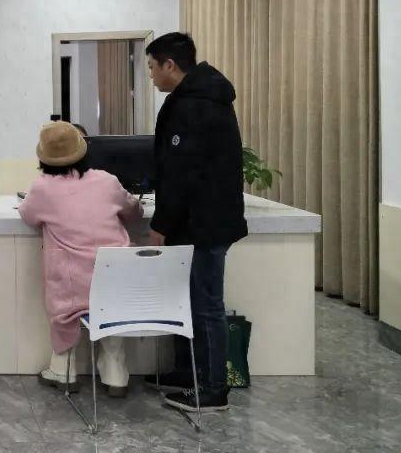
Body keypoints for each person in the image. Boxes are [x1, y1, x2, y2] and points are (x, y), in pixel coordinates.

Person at [143, 33, 247, 413]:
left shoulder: (194, 105)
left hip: (204, 223)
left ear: (170, 65)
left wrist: (161, 223)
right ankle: (189, 373)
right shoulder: (201, 97)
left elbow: (181, 173)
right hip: (202, 219)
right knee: (188, 300)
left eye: (152, 67)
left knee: (205, 305)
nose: (151, 75)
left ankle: (213, 388)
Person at [18, 121, 143, 397]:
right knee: (111, 309)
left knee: (63, 305)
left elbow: (28, 216)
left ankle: (63, 371)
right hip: (116, 279)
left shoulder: (42, 188)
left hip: (72, 286)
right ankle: (116, 376)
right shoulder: (107, 180)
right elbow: (134, 212)